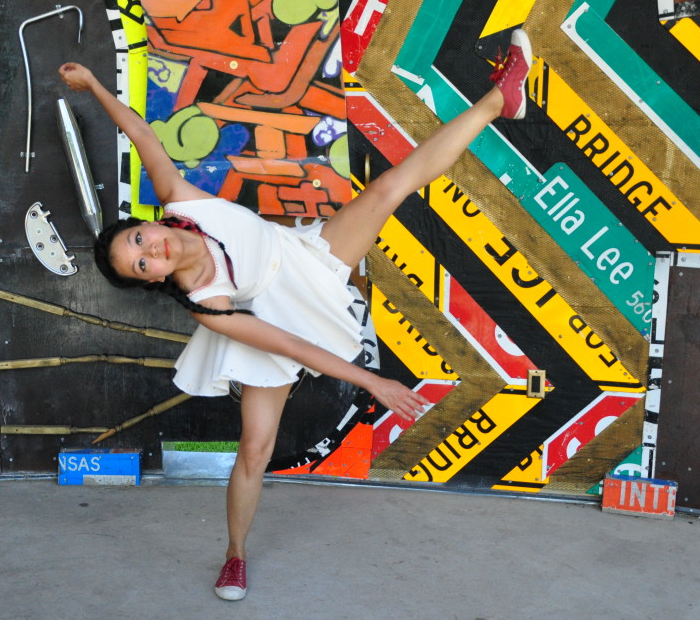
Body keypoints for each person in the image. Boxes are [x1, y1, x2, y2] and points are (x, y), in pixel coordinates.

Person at [58, 29, 533, 601]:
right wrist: (372, 381)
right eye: (138, 265)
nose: (148, 251)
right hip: (280, 322)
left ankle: (499, 100)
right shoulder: (207, 304)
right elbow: (290, 345)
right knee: (255, 449)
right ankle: (234, 556)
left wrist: (90, 86)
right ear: (152, 280)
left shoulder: (178, 199)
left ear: (150, 223)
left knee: (386, 187)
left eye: (139, 238)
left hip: (304, 257)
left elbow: (137, 130)